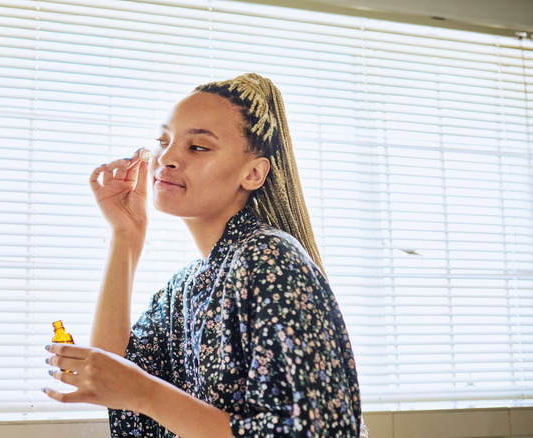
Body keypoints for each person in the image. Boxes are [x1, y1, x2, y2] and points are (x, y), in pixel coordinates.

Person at [43, 73, 363, 437]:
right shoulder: (182, 290)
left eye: (198, 147)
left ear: (253, 173)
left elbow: (305, 431)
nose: (166, 158)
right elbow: (111, 380)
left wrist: (146, 393)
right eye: (163, 140)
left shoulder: (270, 259)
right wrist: (126, 236)